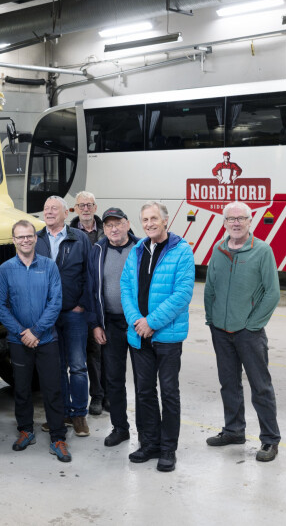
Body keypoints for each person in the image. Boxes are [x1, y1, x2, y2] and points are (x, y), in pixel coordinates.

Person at [204, 201, 282, 462]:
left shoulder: (262, 251)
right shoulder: (218, 249)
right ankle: (234, 431)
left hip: (249, 333)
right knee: (229, 384)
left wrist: (253, 325)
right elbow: (210, 287)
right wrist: (211, 319)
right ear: (224, 222)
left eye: (241, 218)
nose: (236, 222)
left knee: (260, 387)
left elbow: (272, 292)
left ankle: (270, 440)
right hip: (220, 330)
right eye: (230, 218)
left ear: (251, 221)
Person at [120, 201, 194, 473]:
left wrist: (151, 322)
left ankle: (167, 450)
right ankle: (149, 444)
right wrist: (137, 322)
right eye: (145, 220)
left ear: (165, 221)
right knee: (143, 391)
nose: (149, 223)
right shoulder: (137, 250)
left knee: (169, 392)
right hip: (139, 336)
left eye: (153, 219)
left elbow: (182, 294)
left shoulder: (181, 251)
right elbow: (126, 288)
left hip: (167, 337)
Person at [0, 220, 70, 463]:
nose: (25, 240)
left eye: (29, 236)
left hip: (47, 339)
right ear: (13, 240)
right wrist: (22, 333)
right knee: (22, 388)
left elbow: (55, 302)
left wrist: (36, 332)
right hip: (18, 342)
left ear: (35, 239)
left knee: (52, 389)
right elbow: (0, 306)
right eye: (20, 237)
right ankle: (25, 430)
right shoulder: (5, 269)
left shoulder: (48, 267)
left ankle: (58, 437)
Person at [35, 196, 92, 437]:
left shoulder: (80, 238)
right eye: (46, 208)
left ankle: (78, 414)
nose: (48, 212)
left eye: (54, 209)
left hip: (73, 313)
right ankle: (61, 414)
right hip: (47, 316)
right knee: (55, 367)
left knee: (78, 366)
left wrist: (82, 304)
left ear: (65, 213)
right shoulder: (35, 239)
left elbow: (91, 274)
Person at [88, 207, 140, 448]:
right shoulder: (98, 250)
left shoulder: (142, 248)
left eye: (118, 223)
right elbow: (91, 288)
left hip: (139, 324)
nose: (113, 229)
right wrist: (96, 324)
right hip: (110, 323)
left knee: (143, 380)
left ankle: (147, 430)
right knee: (114, 380)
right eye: (108, 225)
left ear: (128, 224)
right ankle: (120, 428)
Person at [69, 191, 107, 416]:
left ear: (95, 207)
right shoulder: (69, 233)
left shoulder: (106, 231)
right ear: (74, 208)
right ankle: (90, 397)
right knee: (83, 353)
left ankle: (104, 396)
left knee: (103, 351)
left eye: (89, 205)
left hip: (103, 301)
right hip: (80, 302)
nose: (85, 208)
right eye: (81, 205)